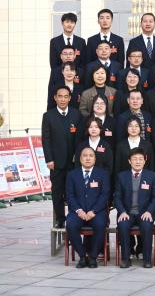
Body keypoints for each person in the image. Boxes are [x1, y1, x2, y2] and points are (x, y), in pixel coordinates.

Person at [43, 86, 83, 228]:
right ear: (55, 98)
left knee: (73, 192)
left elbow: (79, 138)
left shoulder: (76, 114)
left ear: (70, 98)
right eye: (60, 96)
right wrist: (49, 159)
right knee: (57, 192)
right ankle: (60, 219)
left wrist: (77, 156)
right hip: (56, 162)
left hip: (73, 162)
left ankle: (73, 218)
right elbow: (46, 139)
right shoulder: (48, 116)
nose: (63, 99)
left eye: (66, 96)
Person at [66, 146, 111, 268]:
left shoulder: (102, 174)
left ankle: (93, 257)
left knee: (100, 224)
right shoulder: (72, 175)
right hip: (77, 212)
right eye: (85, 156)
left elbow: (105, 194)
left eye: (91, 156)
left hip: (96, 212)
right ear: (80, 159)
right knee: (70, 225)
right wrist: (78, 210)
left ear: (95, 159)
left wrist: (94, 211)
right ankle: (82, 256)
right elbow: (69, 195)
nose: (88, 158)